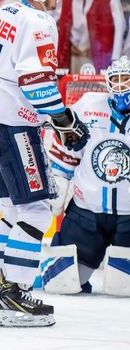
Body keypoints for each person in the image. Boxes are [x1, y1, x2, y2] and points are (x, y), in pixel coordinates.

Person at [0, 0, 90, 327]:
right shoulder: (40, 22)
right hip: (12, 126)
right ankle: (17, 295)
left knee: (13, 210)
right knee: (36, 210)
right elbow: (35, 83)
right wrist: (64, 119)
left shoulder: (4, 14)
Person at [45, 56, 130, 295]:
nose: (122, 86)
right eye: (117, 79)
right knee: (61, 283)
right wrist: (59, 181)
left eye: (127, 80)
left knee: (123, 289)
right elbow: (67, 150)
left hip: (128, 218)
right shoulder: (89, 105)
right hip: (86, 214)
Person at [56, 0, 126, 74]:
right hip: (71, 58)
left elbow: (120, 27)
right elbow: (49, 22)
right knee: (72, 88)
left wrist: (115, 57)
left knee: (97, 88)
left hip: (100, 59)